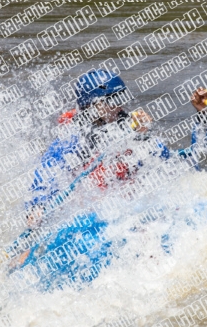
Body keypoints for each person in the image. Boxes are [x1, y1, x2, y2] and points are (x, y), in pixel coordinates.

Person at [24, 69, 171, 227]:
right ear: (92, 106)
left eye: (122, 98)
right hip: (92, 218)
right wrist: (37, 208)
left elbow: (169, 163)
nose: (120, 106)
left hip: (129, 208)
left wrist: (144, 136)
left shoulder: (131, 129)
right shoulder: (73, 140)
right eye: (114, 100)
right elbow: (46, 176)